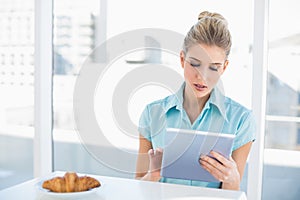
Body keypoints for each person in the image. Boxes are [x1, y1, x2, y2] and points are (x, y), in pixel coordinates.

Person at [135, 11, 255, 190]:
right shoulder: (152, 113)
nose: (202, 77)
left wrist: (232, 179)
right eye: (195, 64)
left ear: (224, 68)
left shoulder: (241, 119)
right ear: (182, 59)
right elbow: (137, 187)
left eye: (214, 67)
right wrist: (152, 175)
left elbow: (230, 194)